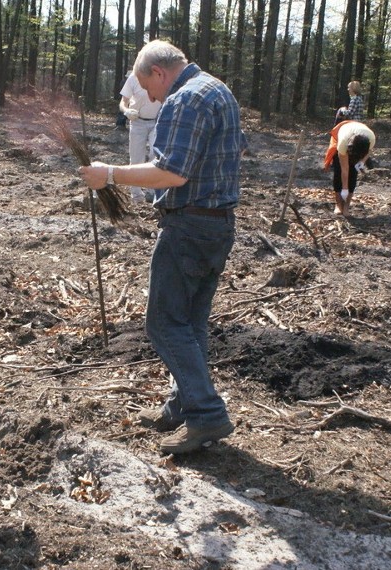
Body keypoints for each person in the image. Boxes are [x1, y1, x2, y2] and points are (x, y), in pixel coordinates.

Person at [79, 40, 242, 454]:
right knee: (191, 324)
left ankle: (206, 414)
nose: (150, 98)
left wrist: (109, 174)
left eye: (147, 88)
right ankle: (182, 406)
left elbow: (171, 173)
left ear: (158, 72)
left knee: (164, 325)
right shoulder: (217, 88)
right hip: (216, 224)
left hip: (189, 227)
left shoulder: (184, 99)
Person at [119, 70, 163, 203]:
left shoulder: (160, 76)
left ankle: (152, 191)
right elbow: (122, 102)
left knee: (155, 154)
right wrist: (126, 111)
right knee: (136, 157)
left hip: (157, 121)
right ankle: (136, 195)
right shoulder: (133, 78)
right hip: (137, 122)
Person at [323, 120, 375, 217]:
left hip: (358, 144)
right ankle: (338, 205)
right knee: (339, 172)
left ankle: (346, 206)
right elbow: (344, 169)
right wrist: (345, 189)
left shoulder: (371, 138)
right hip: (342, 139)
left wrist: (362, 162)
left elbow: (369, 151)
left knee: (353, 173)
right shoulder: (343, 142)